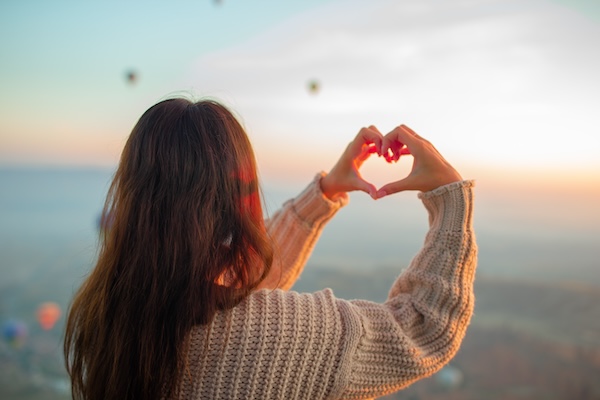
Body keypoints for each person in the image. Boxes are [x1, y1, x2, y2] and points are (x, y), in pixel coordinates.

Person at [64, 97, 477, 400]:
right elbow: (424, 329)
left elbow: (247, 281)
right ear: (234, 197)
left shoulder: (107, 314)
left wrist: (325, 192)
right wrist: (450, 197)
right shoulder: (278, 336)